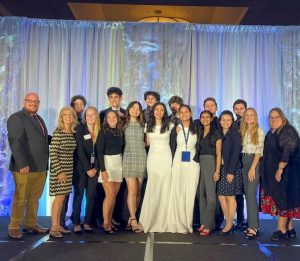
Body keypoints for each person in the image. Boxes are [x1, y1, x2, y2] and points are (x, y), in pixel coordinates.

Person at [7, 92, 50, 240]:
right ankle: (14, 227)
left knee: (34, 198)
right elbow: (15, 141)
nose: (33, 103)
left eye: (36, 101)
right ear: (24, 101)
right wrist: (22, 163)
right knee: (20, 198)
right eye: (30, 101)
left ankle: (31, 224)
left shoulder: (39, 118)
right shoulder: (16, 118)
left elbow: (42, 140)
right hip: (25, 167)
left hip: (40, 166)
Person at [260, 108, 300, 242]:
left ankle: (281, 230)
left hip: (286, 172)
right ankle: (289, 228)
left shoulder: (287, 130)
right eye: (271, 117)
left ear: (282, 118)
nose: (273, 119)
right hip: (276, 172)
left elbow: (288, 149)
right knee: (285, 199)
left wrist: (280, 168)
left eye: (276, 117)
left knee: (282, 199)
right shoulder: (273, 132)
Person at [140, 102, 173, 232]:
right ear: (153, 111)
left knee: (165, 187)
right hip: (153, 159)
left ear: (164, 112)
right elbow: (147, 143)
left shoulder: (170, 125)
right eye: (157, 109)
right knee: (153, 187)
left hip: (166, 158)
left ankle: (164, 220)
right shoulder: (148, 126)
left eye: (162, 110)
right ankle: (150, 219)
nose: (159, 112)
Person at [168, 104, 199, 233]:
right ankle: (179, 222)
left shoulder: (197, 128)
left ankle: (188, 222)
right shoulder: (176, 128)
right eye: (182, 112)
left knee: (190, 192)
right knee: (179, 191)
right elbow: (171, 146)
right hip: (178, 162)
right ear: (178, 114)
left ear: (191, 113)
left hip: (192, 163)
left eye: (187, 112)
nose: (184, 114)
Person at [49, 106, 77, 238]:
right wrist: (60, 171)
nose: (68, 117)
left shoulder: (71, 132)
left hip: (69, 169)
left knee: (63, 197)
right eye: (66, 114)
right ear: (61, 117)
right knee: (59, 198)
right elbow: (53, 153)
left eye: (71, 114)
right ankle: (54, 228)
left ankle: (59, 224)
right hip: (59, 170)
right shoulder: (58, 132)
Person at [60, 95, 87, 231]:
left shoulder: (84, 121)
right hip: (66, 163)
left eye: (81, 104)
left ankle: (75, 219)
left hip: (80, 164)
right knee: (64, 194)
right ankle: (60, 222)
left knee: (79, 193)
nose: (79, 106)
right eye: (76, 104)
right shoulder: (67, 122)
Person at [72, 107, 100, 234]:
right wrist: (88, 168)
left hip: (94, 169)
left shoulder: (101, 131)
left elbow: (101, 152)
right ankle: (77, 223)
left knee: (91, 196)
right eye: (87, 115)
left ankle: (87, 222)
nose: (90, 117)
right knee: (79, 196)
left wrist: (95, 168)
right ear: (84, 117)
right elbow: (80, 151)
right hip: (81, 169)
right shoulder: (80, 129)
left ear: (97, 116)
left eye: (93, 115)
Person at [96, 110, 124, 234]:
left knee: (114, 197)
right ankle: (106, 223)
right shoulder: (103, 131)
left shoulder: (120, 131)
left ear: (117, 118)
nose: (112, 119)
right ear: (106, 119)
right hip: (107, 164)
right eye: (109, 117)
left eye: (114, 116)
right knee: (110, 195)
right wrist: (103, 170)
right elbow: (99, 152)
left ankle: (110, 221)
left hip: (119, 164)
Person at [240, 108, 264, 239]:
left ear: (255, 117)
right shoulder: (242, 131)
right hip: (243, 161)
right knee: (247, 195)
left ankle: (254, 227)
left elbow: (258, 152)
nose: (249, 117)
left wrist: (252, 168)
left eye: (251, 115)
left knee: (250, 195)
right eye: (246, 115)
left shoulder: (259, 131)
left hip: (253, 162)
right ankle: (251, 225)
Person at [217, 110, 242, 235]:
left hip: (231, 169)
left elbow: (236, 153)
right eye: (223, 120)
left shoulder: (235, 134)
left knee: (230, 196)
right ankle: (228, 222)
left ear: (232, 121)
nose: (225, 122)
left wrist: (231, 171)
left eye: (228, 120)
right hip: (221, 169)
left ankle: (229, 223)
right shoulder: (219, 133)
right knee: (221, 196)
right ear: (220, 121)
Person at [197, 110, 222, 236]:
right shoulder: (200, 131)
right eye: (203, 117)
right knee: (200, 194)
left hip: (210, 162)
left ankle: (209, 224)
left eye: (207, 117)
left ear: (212, 118)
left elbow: (219, 154)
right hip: (199, 162)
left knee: (211, 197)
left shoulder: (216, 133)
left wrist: (217, 170)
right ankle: (203, 222)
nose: (205, 119)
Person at [123, 101, 146, 233]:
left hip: (142, 158)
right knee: (132, 191)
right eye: (133, 107)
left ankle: (131, 218)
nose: (135, 110)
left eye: (138, 109)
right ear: (129, 109)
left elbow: (147, 142)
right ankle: (133, 219)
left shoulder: (143, 125)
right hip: (129, 159)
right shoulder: (123, 124)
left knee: (138, 191)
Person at [232, 99, 247, 230]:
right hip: (236, 162)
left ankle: (244, 221)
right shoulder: (233, 123)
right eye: (236, 109)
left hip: (247, 161)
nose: (239, 111)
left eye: (241, 109)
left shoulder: (250, 123)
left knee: (246, 193)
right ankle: (240, 220)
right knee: (238, 193)